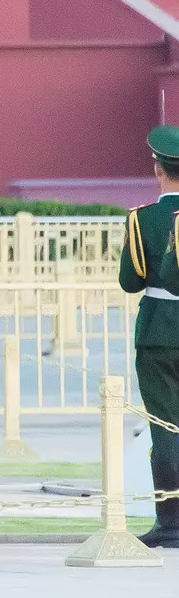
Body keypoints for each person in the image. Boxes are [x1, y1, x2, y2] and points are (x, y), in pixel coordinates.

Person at [132, 126, 179, 547]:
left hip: (158, 328)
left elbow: (130, 281)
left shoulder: (144, 217)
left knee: (165, 427)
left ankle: (170, 522)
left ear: (158, 169)